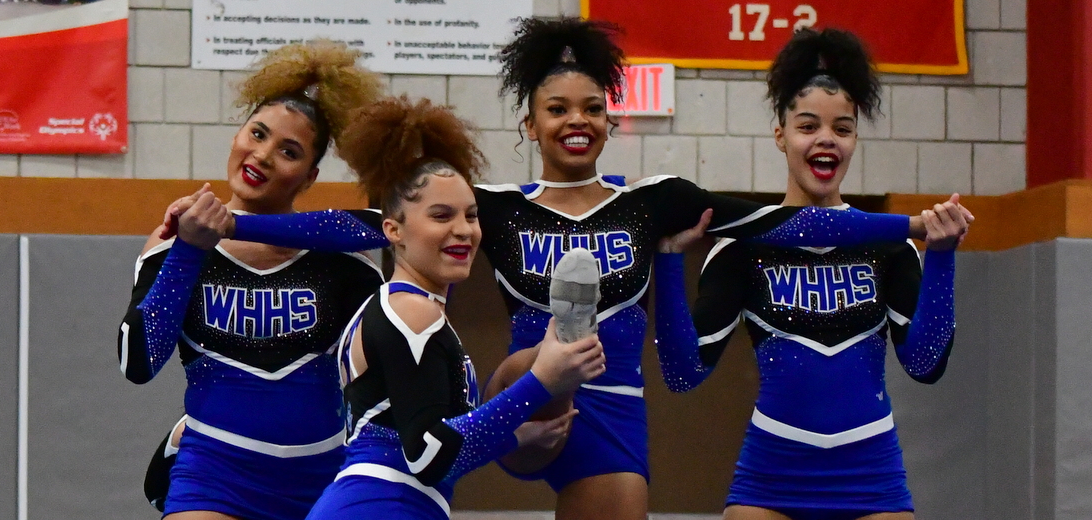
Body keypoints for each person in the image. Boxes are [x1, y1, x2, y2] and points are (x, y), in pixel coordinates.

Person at [222, 17, 958, 520]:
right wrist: (232, 224)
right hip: (523, 397)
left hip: (607, 416)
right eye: (557, 109)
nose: (577, 120)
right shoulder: (496, 206)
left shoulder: (652, 204)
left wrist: (910, 227)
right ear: (530, 122)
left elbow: (784, 223)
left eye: (592, 107)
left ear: (611, 116)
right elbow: (356, 226)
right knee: (489, 398)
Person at [652, 28, 969, 520]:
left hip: (871, 476)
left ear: (855, 140)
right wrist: (669, 263)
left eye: (842, 128)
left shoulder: (891, 248)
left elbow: (926, 364)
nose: (826, 139)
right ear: (780, 135)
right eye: (808, 126)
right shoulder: (741, 249)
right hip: (771, 476)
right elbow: (680, 373)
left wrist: (943, 255)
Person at [117, 40, 387, 520]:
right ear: (236, 135)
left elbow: (387, 224)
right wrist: (189, 251)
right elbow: (138, 362)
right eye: (257, 134)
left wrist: (235, 223)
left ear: (309, 176)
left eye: (288, 151)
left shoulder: (344, 260)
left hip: (323, 481)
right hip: (215, 475)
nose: (262, 155)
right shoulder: (173, 248)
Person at [297, 96, 604, 519]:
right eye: (441, 216)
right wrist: (540, 382)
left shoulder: (408, 306)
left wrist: (516, 436)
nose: (463, 230)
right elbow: (430, 455)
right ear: (393, 230)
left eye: (472, 215)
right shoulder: (412, 313)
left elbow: (429, 444)